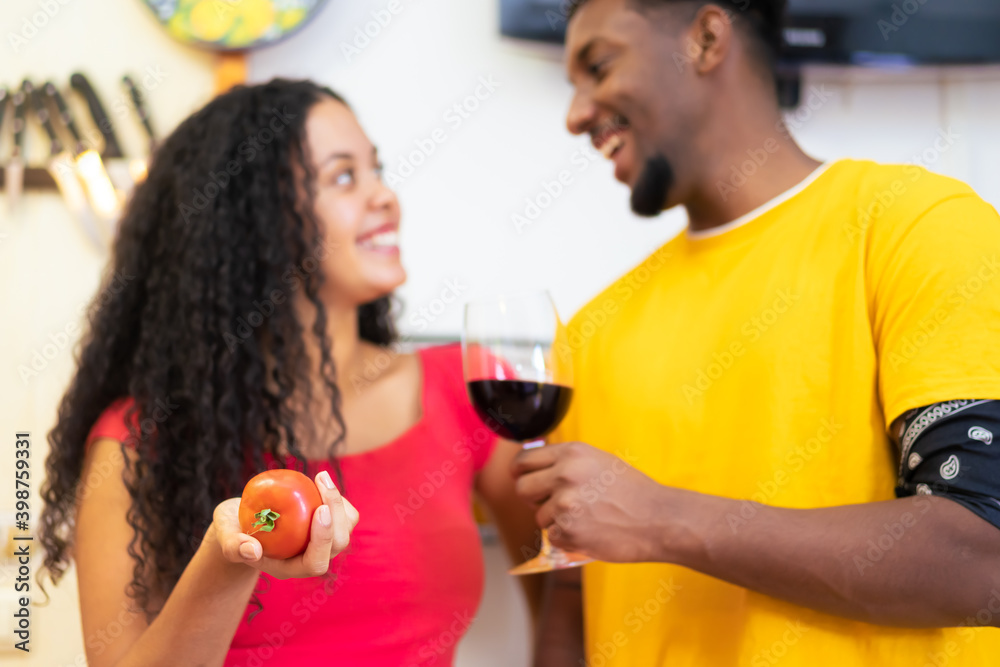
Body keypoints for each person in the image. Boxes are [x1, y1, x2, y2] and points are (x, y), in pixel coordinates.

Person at [512, 0, 1000, 665]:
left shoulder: (917, 228)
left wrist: (663, 517)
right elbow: (573, 600)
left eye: (598, 66)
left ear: (707, 38)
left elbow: (983, 558)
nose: (576, 113)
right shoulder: (591, 330)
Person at [38, 79, 539, 667]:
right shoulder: (136, 440)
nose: (386, 198)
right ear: (253, 221)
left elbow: (558, 574)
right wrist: (231, 560)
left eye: (376, 170)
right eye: (344, 176)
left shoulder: (466, 386)